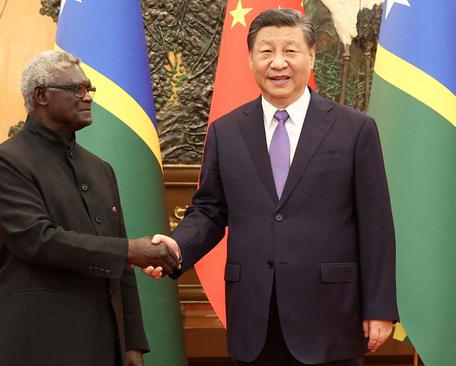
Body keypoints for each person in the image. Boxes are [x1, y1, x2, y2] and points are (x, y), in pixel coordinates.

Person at [147, 9, 398, 366]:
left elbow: (376, 224)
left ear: (311, 56)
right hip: (255, 317)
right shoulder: (226, 131)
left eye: (290, 51)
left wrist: (379, 307)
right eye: (266, 52)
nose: (278, 62)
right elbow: (209, 211)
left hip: (330, 316)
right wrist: (176, 246)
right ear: (250, 60)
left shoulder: (354, 130)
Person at [0, 50, 179, 366]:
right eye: (76, 89)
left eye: (89, 89)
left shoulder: (100, 169)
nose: (87, 97)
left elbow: (122, 270)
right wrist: (128, 251)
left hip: (103, 344)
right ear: (42, 95)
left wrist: (132, 343)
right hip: (38, 345)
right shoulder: (6, 162)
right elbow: (38, 240)